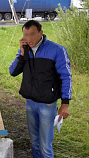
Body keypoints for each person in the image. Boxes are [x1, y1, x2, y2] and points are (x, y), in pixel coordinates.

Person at [9, 20, 72, 158]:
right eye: (25, 35)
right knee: (34, 142)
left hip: (47, 105)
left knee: (45, 146)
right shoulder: (25, 51)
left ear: (40, 33)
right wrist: (22, 54)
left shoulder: (57, 50)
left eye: (32, 34)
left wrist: (65, 104)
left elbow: (66, 77)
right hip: (30, 103)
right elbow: (12, 72)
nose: (29, 38)